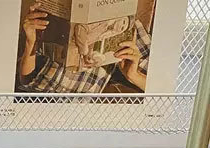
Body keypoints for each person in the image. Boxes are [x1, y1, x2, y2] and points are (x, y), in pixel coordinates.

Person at [17, 3, 149, 94]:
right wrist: (30, 43)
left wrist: (134, 76)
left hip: (82, 109)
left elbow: (157, 89)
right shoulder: (50, 10)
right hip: (37, 101)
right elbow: (26, 81)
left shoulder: (128, 25)